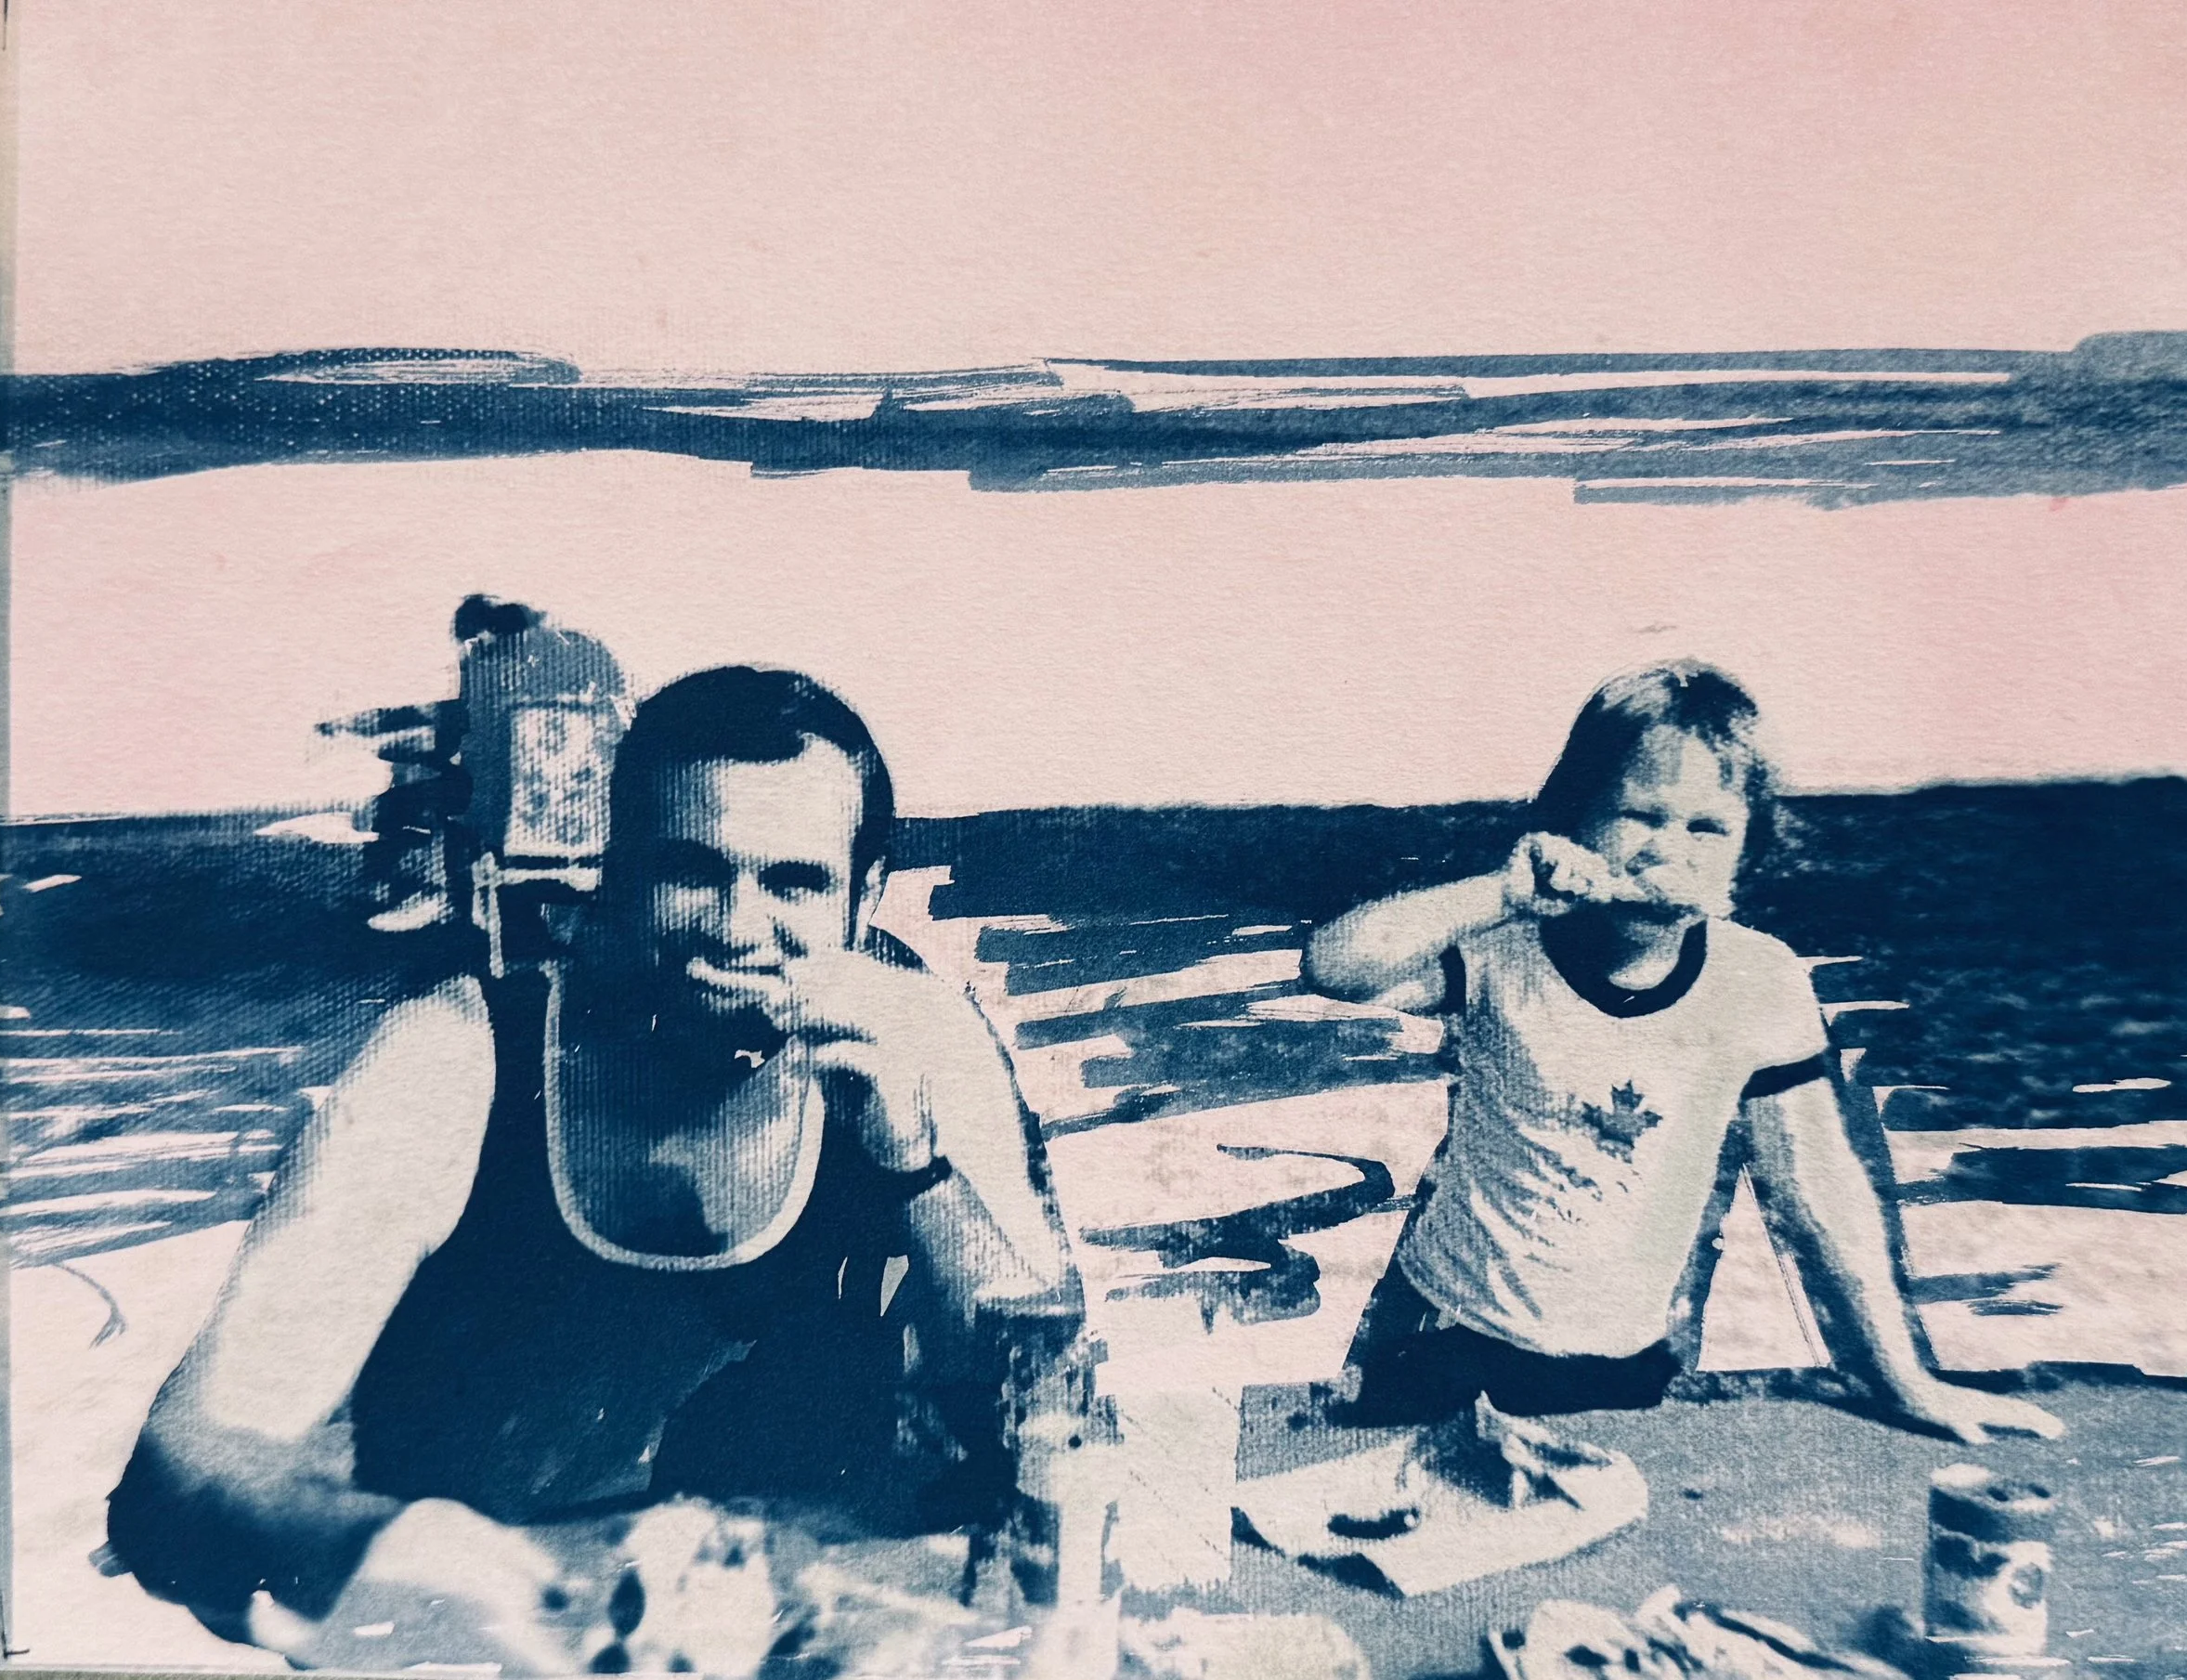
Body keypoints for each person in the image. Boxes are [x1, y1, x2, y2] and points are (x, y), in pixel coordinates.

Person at [108, 666, 1081, 1671]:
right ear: (616, 874)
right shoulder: (459, 1058)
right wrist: (417, 1560)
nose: (737, 927)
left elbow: (1046, 1417)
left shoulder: (917, 1037)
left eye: (794, 883)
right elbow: (184, 1470)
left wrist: (914, 1166)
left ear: (863, 899)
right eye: (690, 872)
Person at [1304, 662, 2061, 1449]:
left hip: (1627, 1353)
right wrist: (1500, 892)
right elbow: (1335, 966)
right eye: (1641, 816)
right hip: (1441, 1331)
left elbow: (1819, 1192)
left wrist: (1903, 1379)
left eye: (1706, 828)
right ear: (1571, 820)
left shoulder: (1758, 980)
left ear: (1747, 848)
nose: (1668, 850)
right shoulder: (1505, 951)